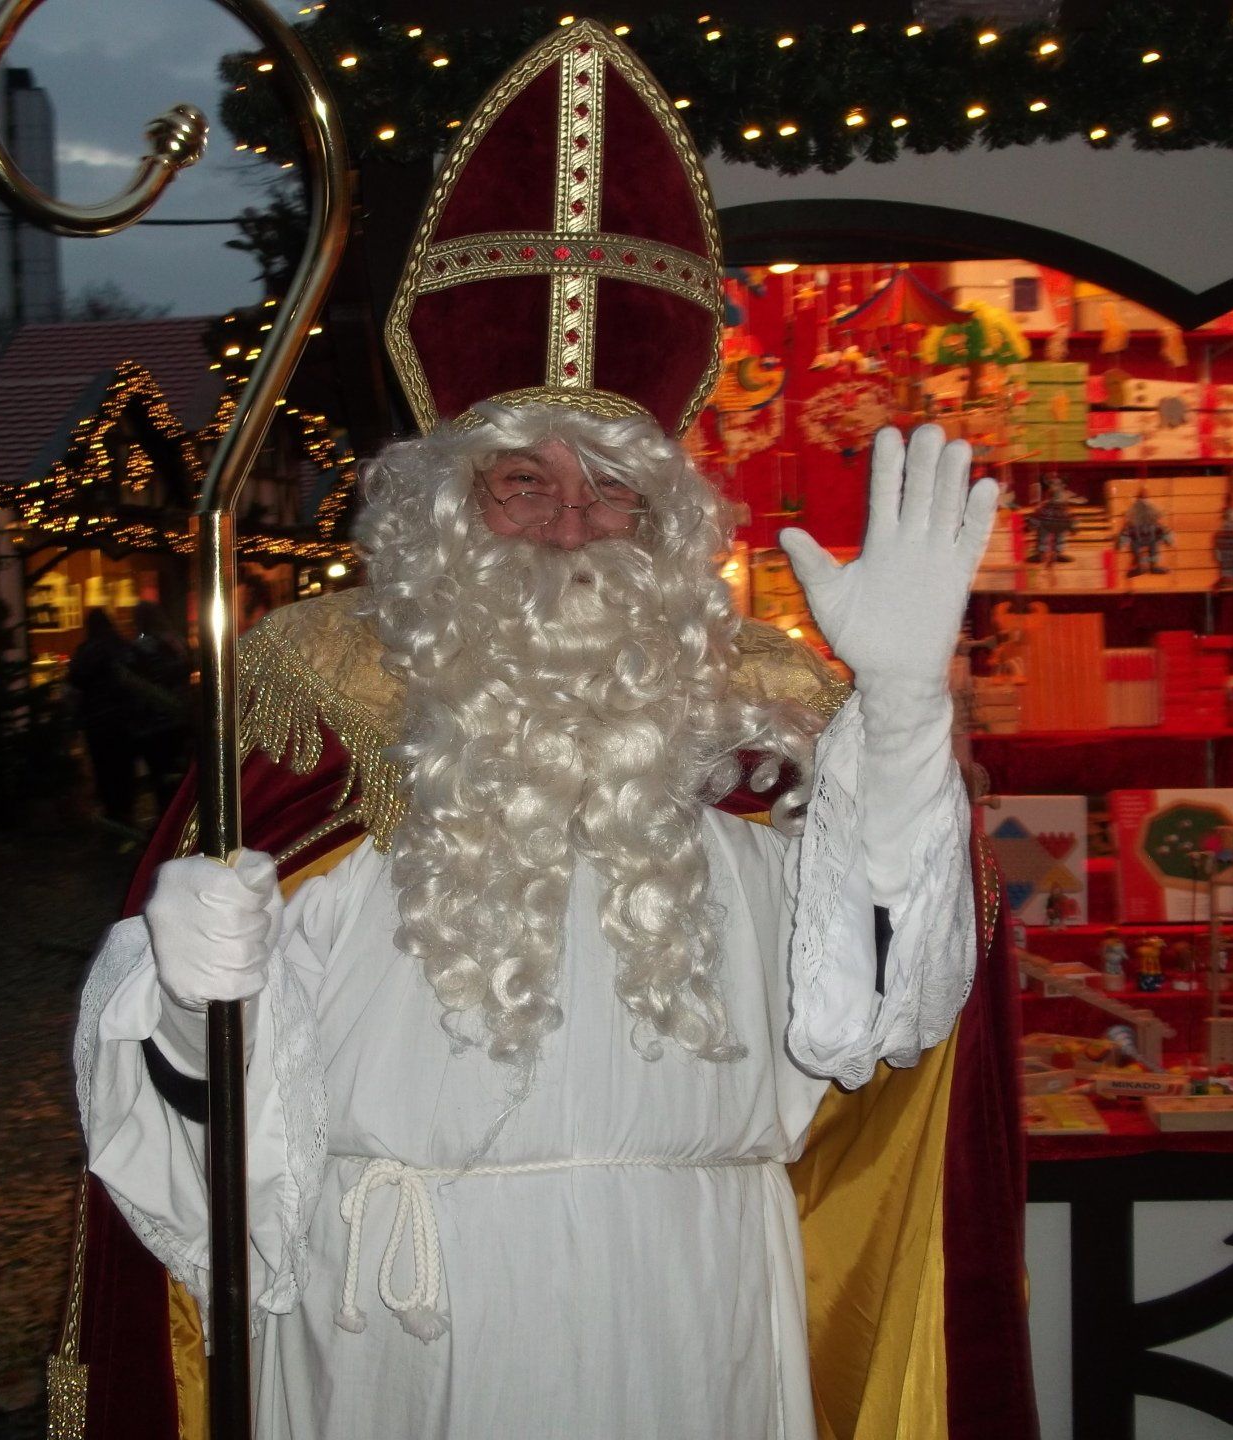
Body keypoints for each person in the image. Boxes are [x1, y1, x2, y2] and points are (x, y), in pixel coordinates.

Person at [61, 22, 1033, 1440]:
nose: (572, 525)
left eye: (614, 491)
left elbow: (886, 1018)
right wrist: (179, 986)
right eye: (523, 482)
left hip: (696, 1306)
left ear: (670, 516)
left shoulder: (778, 715)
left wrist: (897, 715)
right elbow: (197, 1130)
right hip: (395, 1319)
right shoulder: (311, 692)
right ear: (447, 504)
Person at [66, 608, 138, 832]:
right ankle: (125, 809)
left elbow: (74, 683)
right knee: (123, 766)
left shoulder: (86, 651)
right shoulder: (122, 646)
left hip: (96, 720)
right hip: (122, 718)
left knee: (103, 766)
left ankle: (112, 811)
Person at [124, 600, 192, 814]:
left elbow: (133, 686)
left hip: (152, 723)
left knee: (160, 780)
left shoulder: (140, 648)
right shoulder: (177, 642)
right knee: (178, 777)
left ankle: (167, 823)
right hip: (179, 720)